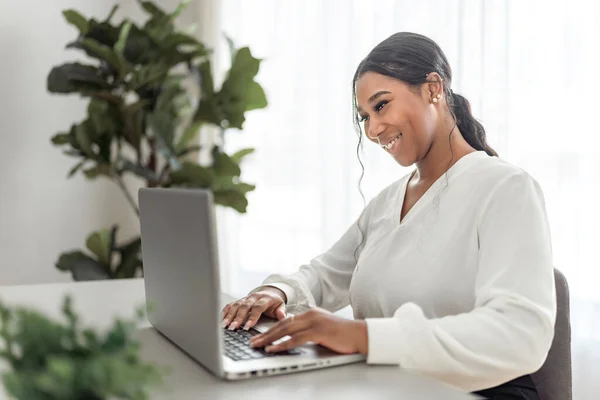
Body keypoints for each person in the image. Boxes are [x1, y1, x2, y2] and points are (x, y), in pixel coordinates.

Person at [221, 32, 556, 399]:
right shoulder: (387, 202)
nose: (373, 129)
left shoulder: (504, 187)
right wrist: (276, 291)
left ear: (433, 88)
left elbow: (521, 334)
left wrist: (362, 336)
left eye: (381, 106)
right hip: (385, 388)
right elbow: (324, 276)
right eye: (364, 116)